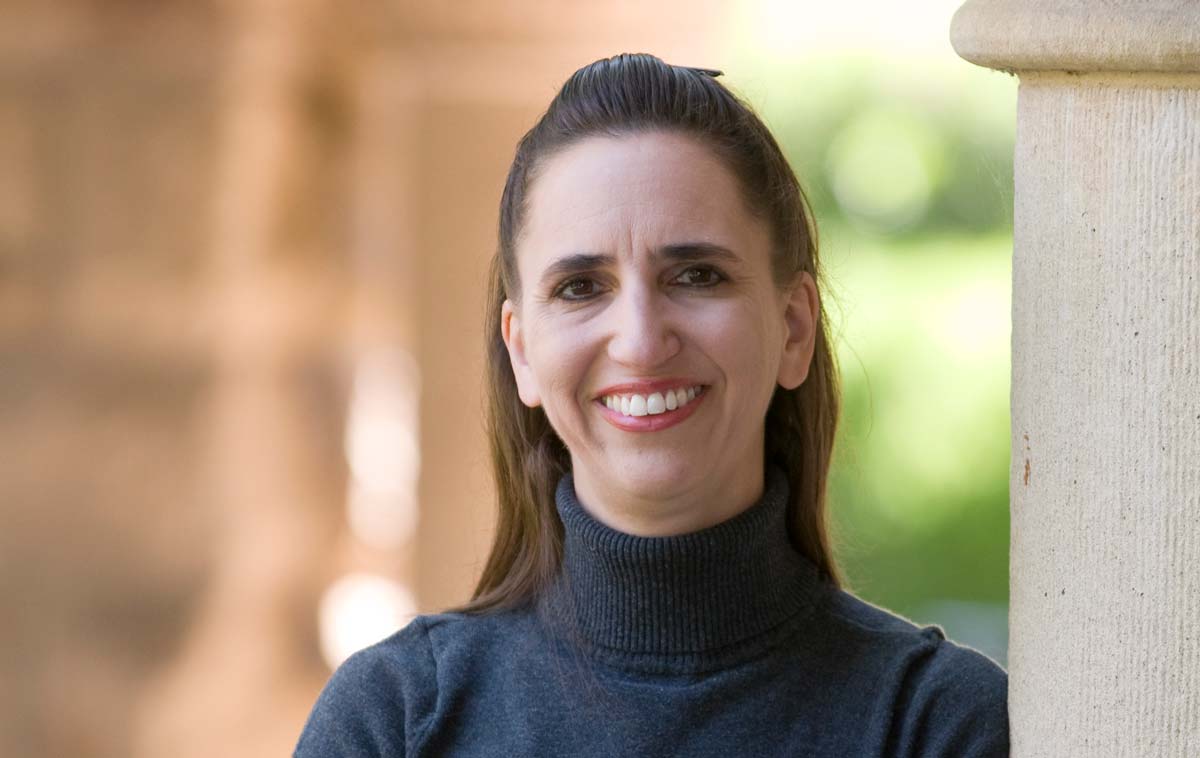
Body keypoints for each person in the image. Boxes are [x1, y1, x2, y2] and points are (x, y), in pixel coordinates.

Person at [294, 53, 1009, 757]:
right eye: (580, 287)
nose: (639, 341)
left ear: (793, 327)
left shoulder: (935, 726)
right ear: (522, 353)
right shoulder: (396, 720)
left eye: (696, 275)